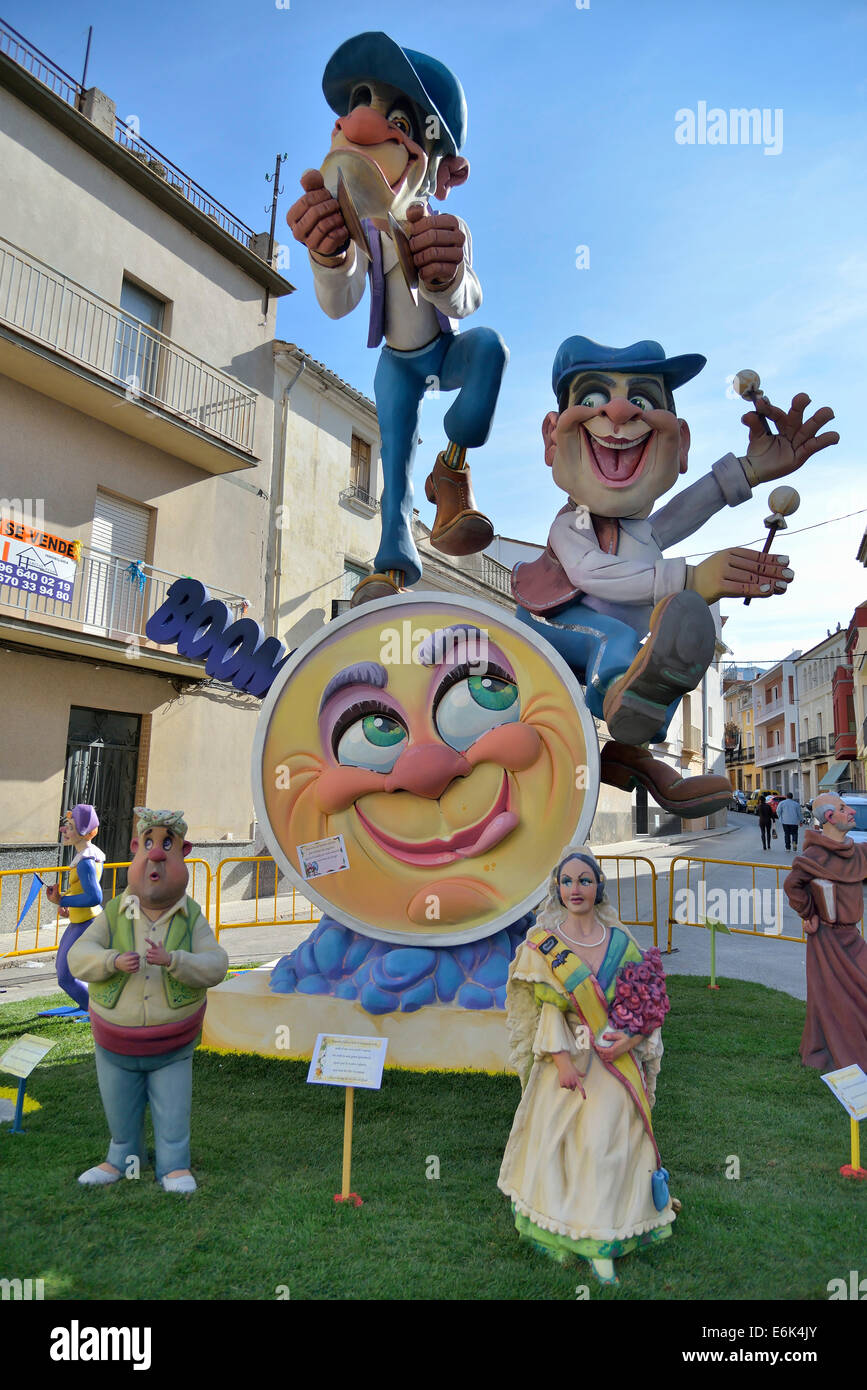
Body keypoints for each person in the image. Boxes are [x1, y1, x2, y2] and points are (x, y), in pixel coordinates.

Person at [511, 336, 837, 817]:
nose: (619, 412)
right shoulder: (572, 524)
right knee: (619, 643)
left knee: (653, 660)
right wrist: (690, 579)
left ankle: (630, 753)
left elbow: (688, 509)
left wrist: (751, 469)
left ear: (680, 443)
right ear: (552, 436)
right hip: (548, 621)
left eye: (640, 400)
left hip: (603, 643)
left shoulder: (644, 534)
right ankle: (634, 741)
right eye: (594, 399)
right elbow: (593, 573)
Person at [286, 31, 508, 605]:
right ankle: (391, 566)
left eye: (402, 123)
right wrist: (328, 255)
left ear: (444, 171)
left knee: (490, 351)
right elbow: (341, 302)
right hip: (399, 365)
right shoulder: (362, 231)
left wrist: (450, 272)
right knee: (393, 457)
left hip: (442, 351)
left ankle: (452, 470)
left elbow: (469, 301)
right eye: (361, 104)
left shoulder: (441, 227)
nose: (365, 124)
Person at [498, 846, 674, 1285]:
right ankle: (569, 1232)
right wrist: (560, 1062)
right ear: (557, 888)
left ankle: (609, 1233)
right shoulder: (544, 945)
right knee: (569, 1145)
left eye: (584, 880)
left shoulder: (621, 943)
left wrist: (629, 1040)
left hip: (615, 1060)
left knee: (610, 1141)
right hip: (569, 1062)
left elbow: (647, 1006)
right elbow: (548, 1013)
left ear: (599, 887)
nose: (575, 889)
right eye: (567, 881)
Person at [68, 807, 228, 1193]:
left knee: (173, 1112)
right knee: (120, 1113)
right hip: (114, 1042)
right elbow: (79, 955)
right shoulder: (115, 911)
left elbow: (217, 963)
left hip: (172, 1045)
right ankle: (123, 1159)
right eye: (151, 844)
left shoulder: (191, 917)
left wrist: (176, 961)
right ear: (136, 849)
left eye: (168, 845)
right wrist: (110, 960)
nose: (157, 855)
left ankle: (173, 1166)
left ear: (183, 852)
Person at [783, 793, 867, 1072]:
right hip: (826, 942)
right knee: (832, 998)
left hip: (852, 938)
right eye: (844, 809)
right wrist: (809, 914)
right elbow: (793, 886)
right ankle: (839, 1052)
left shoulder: (857, 853)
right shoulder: (813, 857)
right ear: (830, 817)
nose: (851, 812)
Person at [45, 805, 104, 1012]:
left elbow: (95, 896)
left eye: (69, 827)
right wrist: (67, 902)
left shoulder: (86, 860)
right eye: (66, 826)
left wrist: (62, 900)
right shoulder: (87, 854)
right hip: (82, 921)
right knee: (67, 971)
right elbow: (82, 889)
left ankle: (94, 1010)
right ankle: (89, 1005)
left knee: (64, 976)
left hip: (87, 923)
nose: (64, 830)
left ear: (84, 833)